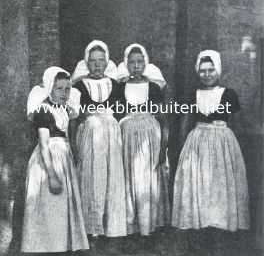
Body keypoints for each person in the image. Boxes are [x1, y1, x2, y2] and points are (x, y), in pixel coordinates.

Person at [171, 50, 249, 232]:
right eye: (203, 71)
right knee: (200, 184)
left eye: (211, 70)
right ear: (198, 72)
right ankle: (200, 226)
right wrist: (184, 149)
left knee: (219, 185)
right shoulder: (193, 94)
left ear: (218, 70)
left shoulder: (229, 94)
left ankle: (219, 227)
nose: (207, 75)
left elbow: (237, 123)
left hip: (222, 143)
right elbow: (185, 122)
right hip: (198, 142)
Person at [21, 66, 89, 253]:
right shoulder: (43, 111)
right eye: (59, 89)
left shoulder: (64, 109)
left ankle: (60, 249)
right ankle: (45, 252)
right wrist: (51, 175)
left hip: (63, 158)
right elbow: (43, 145)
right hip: (48, 161)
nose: (64, 93)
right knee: (49, 205)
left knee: (60, 206)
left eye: (67, 89)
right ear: (50, 88)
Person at [71, 40, 127, 239]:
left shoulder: (116, 86)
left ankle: (110, 228)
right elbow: (74, 118)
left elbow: (122, 113)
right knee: (92, 178)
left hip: (111, 136)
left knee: (111, 179)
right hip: (90, 136)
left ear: (107, 62)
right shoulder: (78, 86)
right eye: (92, 61)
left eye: (100, 60)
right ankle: (91, 231)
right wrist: (74, 146)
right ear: (86, 62)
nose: (97, 65)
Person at [117, 43, 170, 237]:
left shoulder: (154, 88)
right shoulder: (120, 87)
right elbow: (114, 115)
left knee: (148, 179)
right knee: (130, 179)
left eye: (140, 62)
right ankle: (131, 229)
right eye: (132, 62)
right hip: (128, 137)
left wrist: (163, 148)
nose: (136, 66)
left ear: (145, 63)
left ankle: (149, 229)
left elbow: (163, 120)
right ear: (126, 64)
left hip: (150, 136)